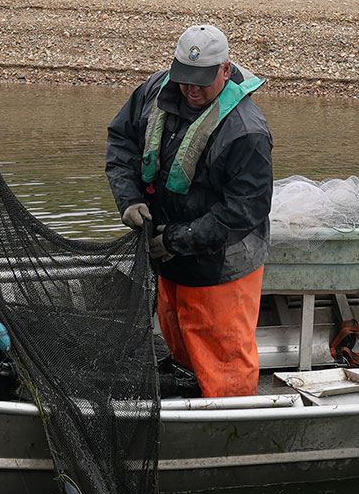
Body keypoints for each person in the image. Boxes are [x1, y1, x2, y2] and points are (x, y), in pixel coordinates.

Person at [105, 23, 273, 398]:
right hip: (171, 261)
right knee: (179, 344)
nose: (191, 90)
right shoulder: (153, 91)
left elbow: (245, 211)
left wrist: (179, 239)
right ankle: (188, 409)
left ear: (225, 70)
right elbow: (121, 143)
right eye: (184, 79)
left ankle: (232, 427)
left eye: (202, 81)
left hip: (222, 268)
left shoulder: (247, 131)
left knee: (225, 362)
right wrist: (129, 200)